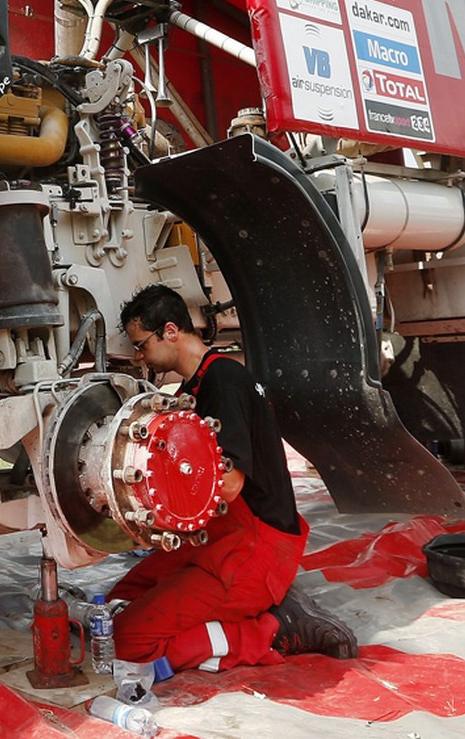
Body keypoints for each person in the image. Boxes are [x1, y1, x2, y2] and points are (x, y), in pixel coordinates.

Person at [109, 284, 357, 672]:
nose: (139, 355)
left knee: (125, 642)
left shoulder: (224, 382)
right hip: (221, 534)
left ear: (170, 332)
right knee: (122, 596)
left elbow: (228, 484)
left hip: (255, 547)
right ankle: (236, 610)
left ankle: (272, 629)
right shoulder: (196, 387)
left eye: (142, 345)